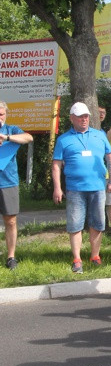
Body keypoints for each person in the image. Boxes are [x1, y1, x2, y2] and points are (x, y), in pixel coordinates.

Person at [52, 102, 111, 273]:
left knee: (98, 223)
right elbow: (56, 165)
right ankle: (77, 259)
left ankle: (95, 256)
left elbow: (110, 157)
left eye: (86, 116)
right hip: (75, 188)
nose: (84, 119)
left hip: (98, 187)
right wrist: (57, 188)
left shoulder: (99, 135)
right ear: (72, 118)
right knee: (75, 224)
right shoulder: (64, 139)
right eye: (80, 117)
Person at [0, 101, 33, 269]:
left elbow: (29, 137)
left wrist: (6, 138)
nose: (0, 117)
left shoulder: (11, 130)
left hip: (8, 182)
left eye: (1, 114)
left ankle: (11, 257)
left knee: (11, 220)